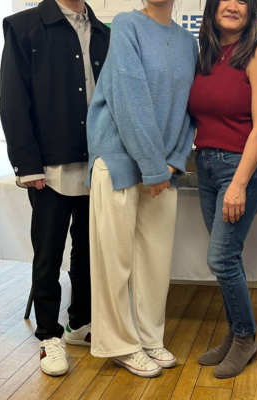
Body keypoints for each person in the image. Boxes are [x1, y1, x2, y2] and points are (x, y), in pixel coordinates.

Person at [85, 0, 198, 378]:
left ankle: (150, 338)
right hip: (118, 160)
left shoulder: (188, 42)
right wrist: (154, 166)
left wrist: (174, 160)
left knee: (155, 259)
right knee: (114, 261)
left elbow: (189, 110)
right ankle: (120, 345)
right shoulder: (126, 25)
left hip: (162, 167)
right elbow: (129, 99)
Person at [0, 0, 110, 377]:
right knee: (48, 253)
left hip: (96, 163)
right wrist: (27, 163)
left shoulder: (103, 32)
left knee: (87, 250)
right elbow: (14, 99)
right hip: (48, 165)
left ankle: (80, 322)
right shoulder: (24, 26)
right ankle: (49, 335)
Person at [188, 0, 257, 379]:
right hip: (205, 166)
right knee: (228, 259)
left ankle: (246, 337)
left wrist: (239, 184)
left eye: (242, 0)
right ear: (211, 8)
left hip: (238, 168)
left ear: (251, 11)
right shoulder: (206, 55)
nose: (232, 5)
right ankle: (236, 333)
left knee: (221, 259)